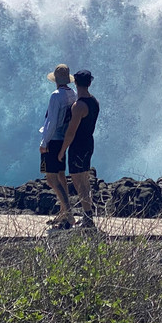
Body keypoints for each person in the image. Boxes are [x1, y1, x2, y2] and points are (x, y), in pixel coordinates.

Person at [58, 68, 100, 227]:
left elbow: (70, 132)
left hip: (78, 146)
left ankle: (88, 218)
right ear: (89, 83)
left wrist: (62, 150)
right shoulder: (94, 101)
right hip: (89, 143)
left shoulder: (79, 106)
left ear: (75, 82)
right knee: (85, 181)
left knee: (78, 182)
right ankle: (88, 215)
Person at [40, 64, 78, 228]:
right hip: (63, 139)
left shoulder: (56, 96)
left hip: (53, 140)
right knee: (61, 175)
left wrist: (44, 142)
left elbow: (52, 122)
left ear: (56, 80)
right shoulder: (73, 94)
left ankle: (68, 214)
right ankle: (63, 212)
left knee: (51, 179)